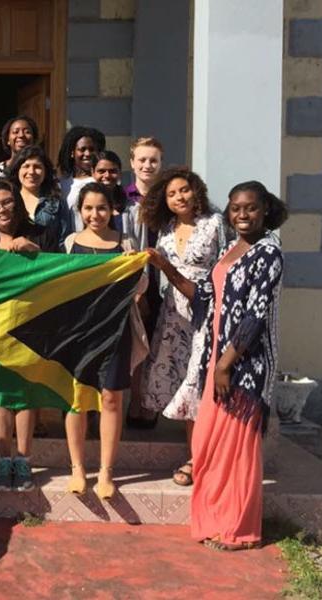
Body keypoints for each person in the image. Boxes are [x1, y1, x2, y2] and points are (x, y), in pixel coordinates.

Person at [146, 180, 288, 551]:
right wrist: (166, 268)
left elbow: (255, 317)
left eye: (251, 208)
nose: (243, 214)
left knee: (237, 449)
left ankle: (239, 530)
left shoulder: (269, 253)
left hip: (245, 365)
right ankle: (215, 520)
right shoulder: (229, 248)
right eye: (236, 208)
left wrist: (226, 365)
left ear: (266, 210)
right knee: (210, 444)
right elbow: (204, 297)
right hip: (216, 359)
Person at [138, 168, 229, 486]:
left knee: (198, 386)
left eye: (184, 190)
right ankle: (199, 455)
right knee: (182, 386)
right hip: (173, 315)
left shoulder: (214, 223)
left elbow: (226, 266)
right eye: (172, 193)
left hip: (206, 312)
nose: (179, 197)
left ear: (197, 191)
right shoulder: (165, 228)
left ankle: (197, 460)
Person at [62, 183, 147, 498]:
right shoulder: (69, 244)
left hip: (116, 331)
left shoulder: (126, 242)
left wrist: (135, 264)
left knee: (111, 399)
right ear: (80, 210)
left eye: (101, 208)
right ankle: (77, 469)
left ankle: (106, 473)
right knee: (76, 400)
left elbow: (140, 289)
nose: (94, 214)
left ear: (112, 209)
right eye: (88, 208)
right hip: (78, 333)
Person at [0, 179, 58, 492]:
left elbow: (58, 272)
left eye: (6, 203)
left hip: (31, 324)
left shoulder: (40, 233)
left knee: (24, 394)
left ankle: (24, 461)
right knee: (0, 396)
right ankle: (4, 461)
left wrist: (33, 251)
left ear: (18, 204)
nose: (1, 210)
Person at [122, 136, 165, 429]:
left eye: (154, 160)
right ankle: (135, 402)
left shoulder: (169, 198)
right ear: (132, 162)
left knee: (159, 344)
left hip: (165, 279)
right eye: (143, 159)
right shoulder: (123, 198)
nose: (148, 165)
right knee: (138, 343)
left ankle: (152, 403)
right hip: (135, 279)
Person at [6, 144, 71, 246]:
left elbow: (64, 240)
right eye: (26, 166)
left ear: (46, 171)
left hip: (47, 260)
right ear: (17, 170)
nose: (31, 172)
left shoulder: (56, 203)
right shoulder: (7, 200)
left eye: (37, 167)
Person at [0, 115, 40, 181]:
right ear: (8, 140)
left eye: (27, 132)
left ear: (34, 139)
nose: (21, 135)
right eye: (16, 132)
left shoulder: (42, 171)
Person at [91, 151, 129, 232]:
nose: (107, 175)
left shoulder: (130, 205)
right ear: (92, 172)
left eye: (112, 171)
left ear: (119, 173)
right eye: (101, 171)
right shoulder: (85, 203)